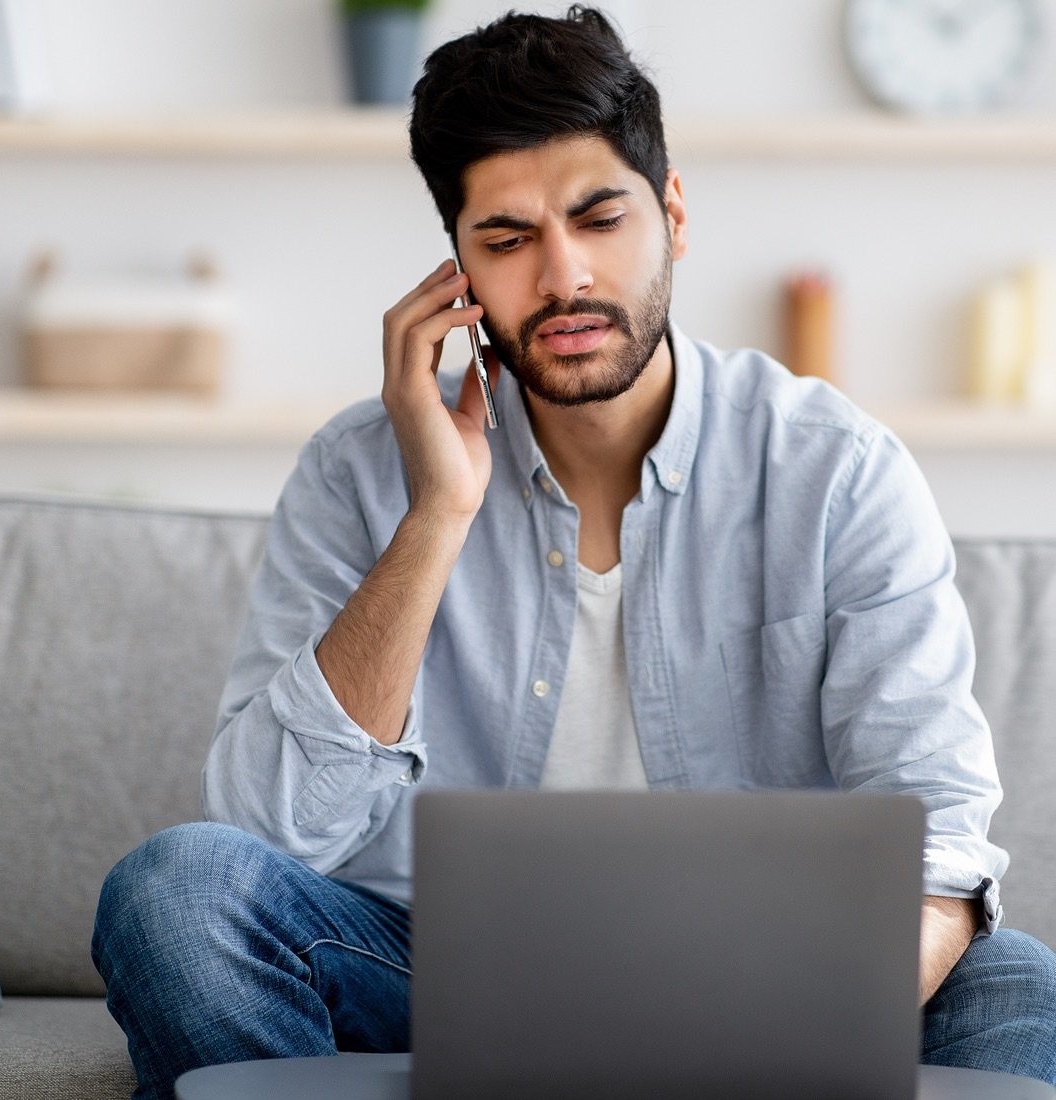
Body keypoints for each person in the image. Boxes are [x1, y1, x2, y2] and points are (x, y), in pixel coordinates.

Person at [92, 7, 1056, 1098]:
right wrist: (435, 516)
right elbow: (269, 827)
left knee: (1012, 980)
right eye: (505, 240)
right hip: (429, 965)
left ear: (674, 213)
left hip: (763, 978)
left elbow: (936, 838)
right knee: (175, 892)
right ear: (452, 271)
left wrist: (792, 1019)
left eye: (599, 218)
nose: (562, 278)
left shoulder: (835, 471)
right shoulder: (359, 472)